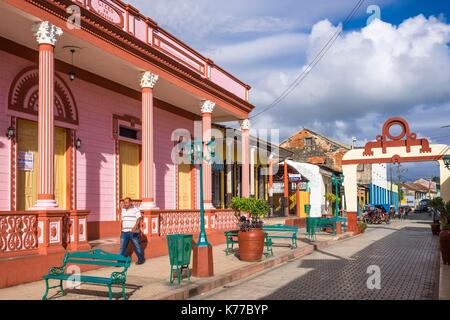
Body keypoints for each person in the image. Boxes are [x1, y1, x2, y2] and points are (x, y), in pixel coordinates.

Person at [119, 197, 145, 265]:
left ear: (130, 203)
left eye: (127, 202)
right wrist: (121, 230)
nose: (125, 204)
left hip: (133, 232)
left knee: (137, 246)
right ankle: (120, 261)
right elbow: (122, 220)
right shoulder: (123, 210)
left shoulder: (136, 209)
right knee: (122, 247)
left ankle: (141, 259)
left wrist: (135, 227)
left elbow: (139, 218)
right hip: (124, 231)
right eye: (124, 202)